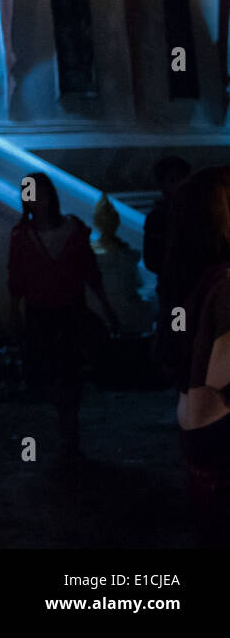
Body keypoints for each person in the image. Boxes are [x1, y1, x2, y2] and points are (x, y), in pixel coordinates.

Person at [7, 172, 119, 461]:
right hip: (39, 314)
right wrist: (14, 315)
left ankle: (70, 432)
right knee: (54, 375)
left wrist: (107, 307)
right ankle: (67, 430)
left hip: (70, 312)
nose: (37, 202)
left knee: (70, 374)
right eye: (31, 197)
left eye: (41, 195)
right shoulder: (21, 236)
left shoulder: (73, 230)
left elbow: (90, 272)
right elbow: (16, 279)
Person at [161, 166, 230, 546]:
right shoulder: (225, 286)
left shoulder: (191, 276)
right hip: (219, 431)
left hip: (196, 429)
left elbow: (175, 343)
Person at [144, 155, 191, 275]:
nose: (181, 184)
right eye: (173, 180)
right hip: (173, 284)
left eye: (183, 178)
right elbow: (152, 261)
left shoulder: (202, 212)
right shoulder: (157, 218)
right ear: (162, 184)